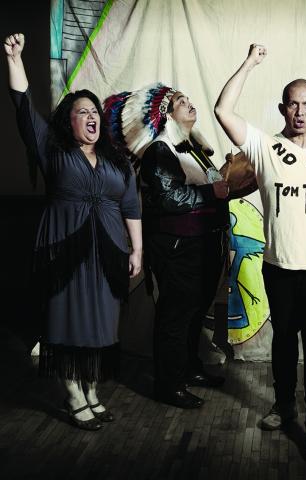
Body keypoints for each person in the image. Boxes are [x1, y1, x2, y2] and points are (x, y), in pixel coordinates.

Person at [214, 44, 306, 463]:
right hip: (278, 267)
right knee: (283, 347)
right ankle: (283, 405)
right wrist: (249, 63)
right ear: (282, 108)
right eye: (293, 104)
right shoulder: (264, 147)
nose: (299, 111)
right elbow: (223, 110)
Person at [5, 33, 142, 431]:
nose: (91, 115)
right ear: (69, 120)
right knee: (66, 321)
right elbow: (22, 107)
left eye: (94, 110)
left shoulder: (117, 160)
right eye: (82, 111)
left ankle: (91, 388)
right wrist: (15, 59)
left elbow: (131, 205)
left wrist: (137, 251)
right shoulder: (53, 149)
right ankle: (73, 395)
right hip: (64, 251)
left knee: (101, 322)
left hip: (110, 250)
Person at [125, 84, 231, 409]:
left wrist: (227, 176)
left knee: (196, 311)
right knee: (176, 315)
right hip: (178, 248)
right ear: (167, 114)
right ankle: (169, 385)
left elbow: (216, 186)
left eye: (188, 99)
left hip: (204, 244)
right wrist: (213, 193)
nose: (189, 103)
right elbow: (170, 199)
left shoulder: (194, 148)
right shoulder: (160, 150)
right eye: (180, 102)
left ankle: (189, 369)